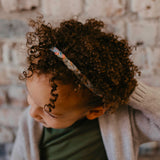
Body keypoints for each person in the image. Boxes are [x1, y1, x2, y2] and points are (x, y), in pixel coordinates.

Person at [10, 16, 160, 160]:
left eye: (50, 112)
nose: (32, 113)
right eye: (31, 97)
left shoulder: (123, 121)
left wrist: (128, 88)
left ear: (94, 112)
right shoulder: (30, 125)